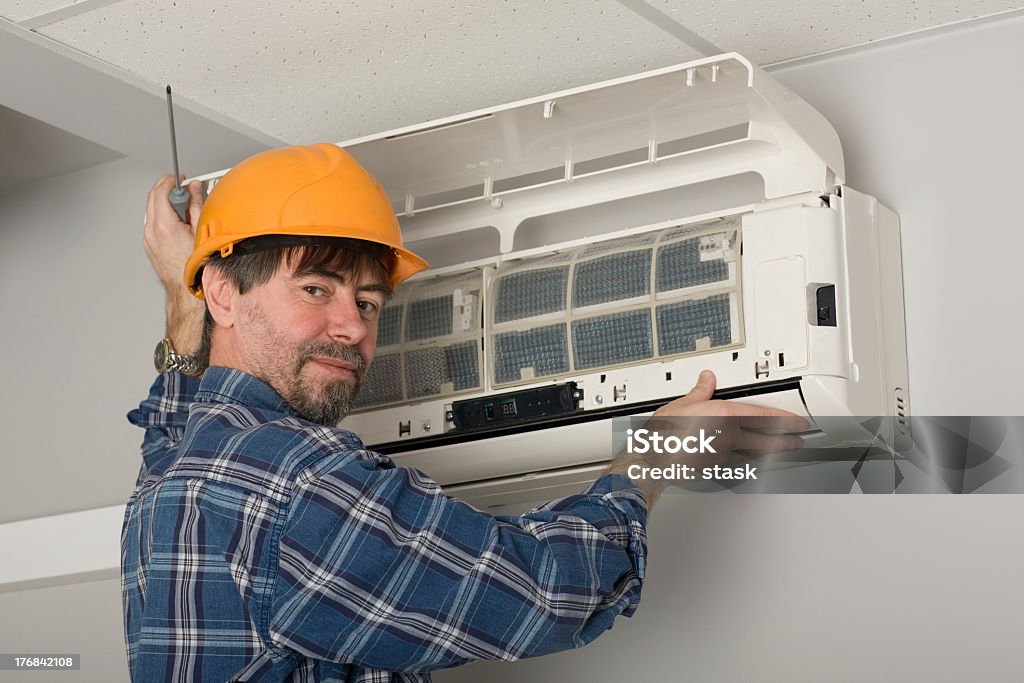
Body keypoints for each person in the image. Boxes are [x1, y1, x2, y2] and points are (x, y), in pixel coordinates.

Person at [123, 143, 805, 682]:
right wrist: (658, 450)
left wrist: (187, 307)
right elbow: (546, 591)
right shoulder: (297, 480)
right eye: (315, 288)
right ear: (224, 294)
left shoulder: (174, 480)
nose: (352, 326)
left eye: (366, 302)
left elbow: (174, 427)